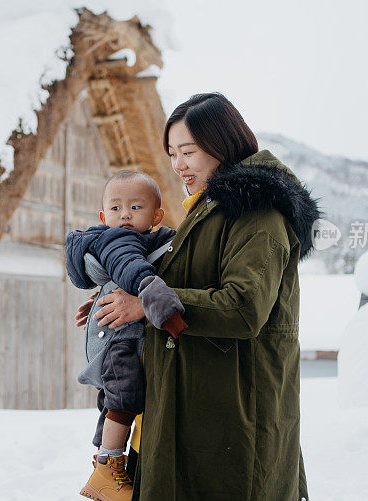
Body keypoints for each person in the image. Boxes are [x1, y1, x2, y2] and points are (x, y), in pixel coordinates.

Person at [76, 93, 319, 500]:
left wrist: (144, 305)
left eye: (188, 151)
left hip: (232, 411)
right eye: (172, 153)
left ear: (222, 144)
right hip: (194, 404)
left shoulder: (257, 210)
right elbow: (184, 281)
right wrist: (123, 300)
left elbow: (244, 306)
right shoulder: (211, 208)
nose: (178, 165)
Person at [65, 170, 188, 501]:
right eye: (116, 209)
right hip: (117, 339)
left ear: (156, 216)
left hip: (115, 332)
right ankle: (108, 467)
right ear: (103, 217)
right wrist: (164, 308)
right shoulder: (119, 239)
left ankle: (104, 461)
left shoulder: (146, 240)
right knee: (125, 396)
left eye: (136, 207)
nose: (125, 215)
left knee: (115, 401)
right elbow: (132, 270)